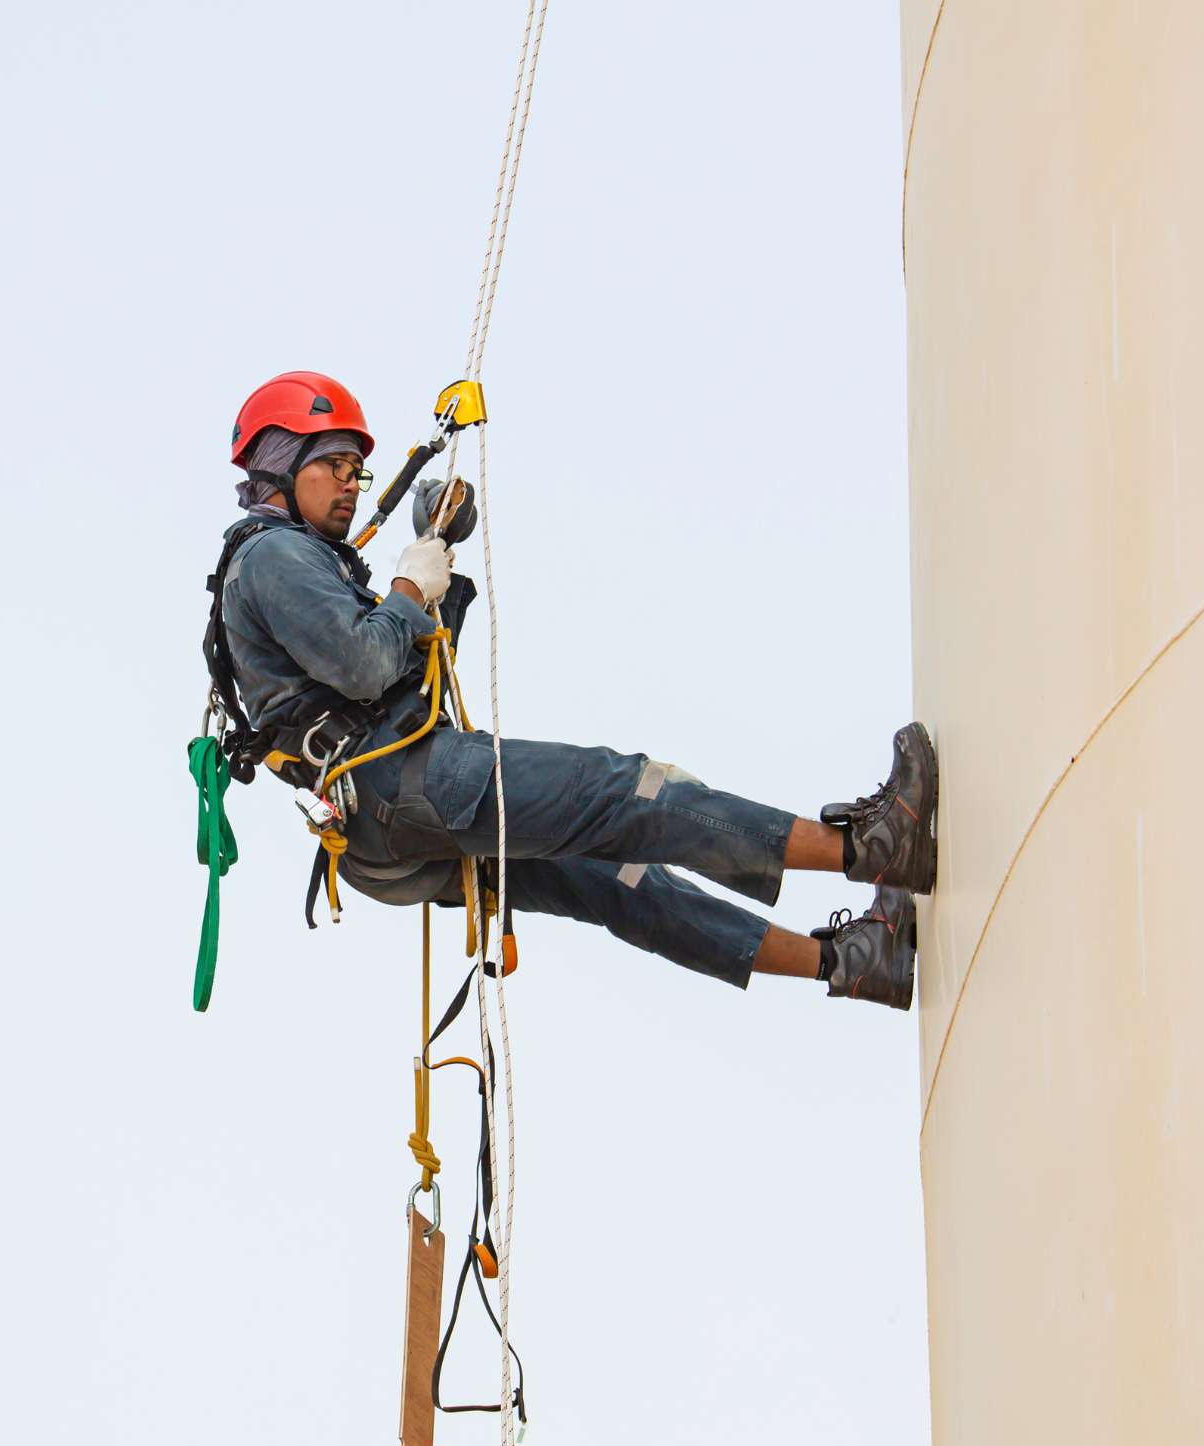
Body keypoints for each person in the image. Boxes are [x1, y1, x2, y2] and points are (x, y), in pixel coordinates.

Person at [203, 370, 936, 1008]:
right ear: (279, 466)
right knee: (628, 793)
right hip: (398, 784)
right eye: (333, 464)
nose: (350, 485)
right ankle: (868, 847)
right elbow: (366, 665)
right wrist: (403, 588)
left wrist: (439, 569)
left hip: (387, 822)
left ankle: (853, 964)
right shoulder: (273, 555)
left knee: (617, 881)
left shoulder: (310, 567)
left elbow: (406, 675)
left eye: (358, 471)